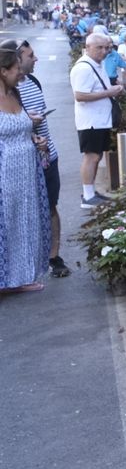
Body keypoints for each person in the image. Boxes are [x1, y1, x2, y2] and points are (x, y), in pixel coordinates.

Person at [11, 40, 71, 277]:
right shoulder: (6, 91)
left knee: (50, 206)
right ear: (15, 61)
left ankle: (53, 257)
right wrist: (28, 123)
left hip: (47, 156)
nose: (36, 59)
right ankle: (22, 261)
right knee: (20, 211)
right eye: (30, 55)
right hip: (21, 160)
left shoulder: (33, 81)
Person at [0, 42, 50, 293]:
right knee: (4, 225)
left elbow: (21, 128)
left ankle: (18, 278)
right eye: (16, 69)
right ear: (3, 71)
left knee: (23, 222)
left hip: (26, 172)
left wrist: (34, 140)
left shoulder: (15, 94)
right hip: (4, 172)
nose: (21, 73)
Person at [71, 33, 124, 209]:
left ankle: (91, 192)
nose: (104, 51)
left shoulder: (96, 64)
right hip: (91, 121)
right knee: (91, 156)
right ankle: (87, 196)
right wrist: (110, 93)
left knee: (97, 155)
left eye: (106, 47)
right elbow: (80, 95)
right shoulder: (84, 68)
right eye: (99, 48)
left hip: (100, 119)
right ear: (87, 48)